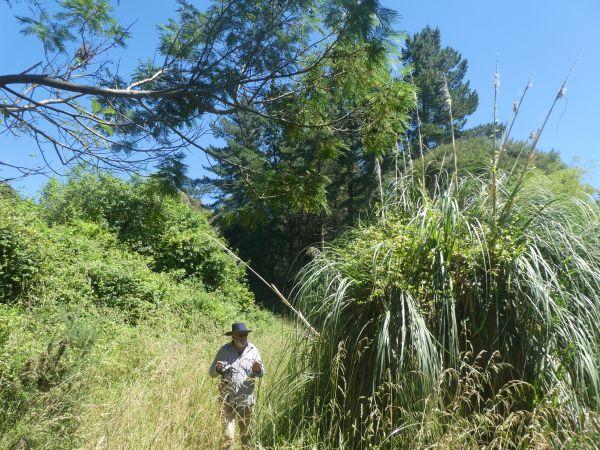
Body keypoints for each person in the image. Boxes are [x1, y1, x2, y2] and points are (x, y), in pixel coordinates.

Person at [209, 322, 264, 450]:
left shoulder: (253, 350)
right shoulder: (224, 350)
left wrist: (258, 369)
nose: (243, 337)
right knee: (228, 437)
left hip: (246, 400)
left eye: (245, 335)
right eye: (240, 335)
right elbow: (211, 373)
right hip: (227, 400)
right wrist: (217, 369)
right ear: (233, 336)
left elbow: (261, 373)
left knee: (246, 436)